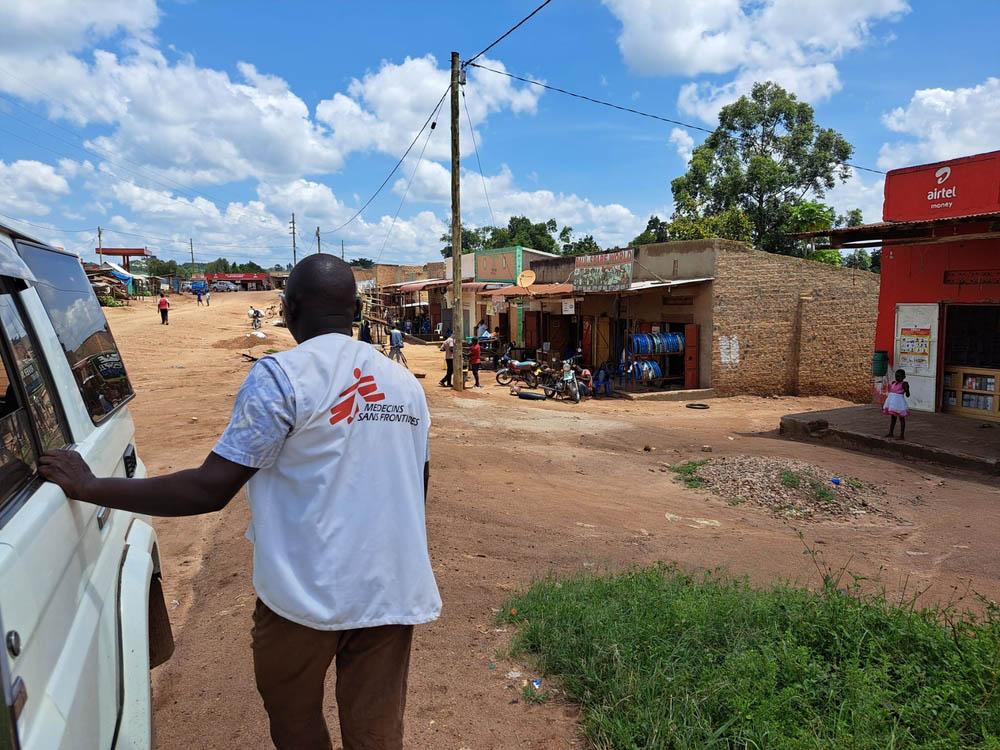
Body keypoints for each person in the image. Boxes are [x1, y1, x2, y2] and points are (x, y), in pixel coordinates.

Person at [39, 255, 440, 750]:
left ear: (290, 310)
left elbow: (210, 488)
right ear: (356, 309)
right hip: (391, 592)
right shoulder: (404, 385)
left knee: (295, 719)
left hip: (304, 595)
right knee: (377, 732)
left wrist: (90, 487)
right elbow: (416, 482)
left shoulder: (282, 376)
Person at [883, 368, 910, 440]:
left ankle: (902, 435)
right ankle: (891, 432)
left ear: (904, 377)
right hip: (892, 403)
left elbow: (908, 395)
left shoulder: (904, 384)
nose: (897, 378)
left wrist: (907, 389)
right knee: (893, 418)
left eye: (899, 376)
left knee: (901, 419)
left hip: (899, 404)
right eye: (896, 376)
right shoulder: (893, 383)